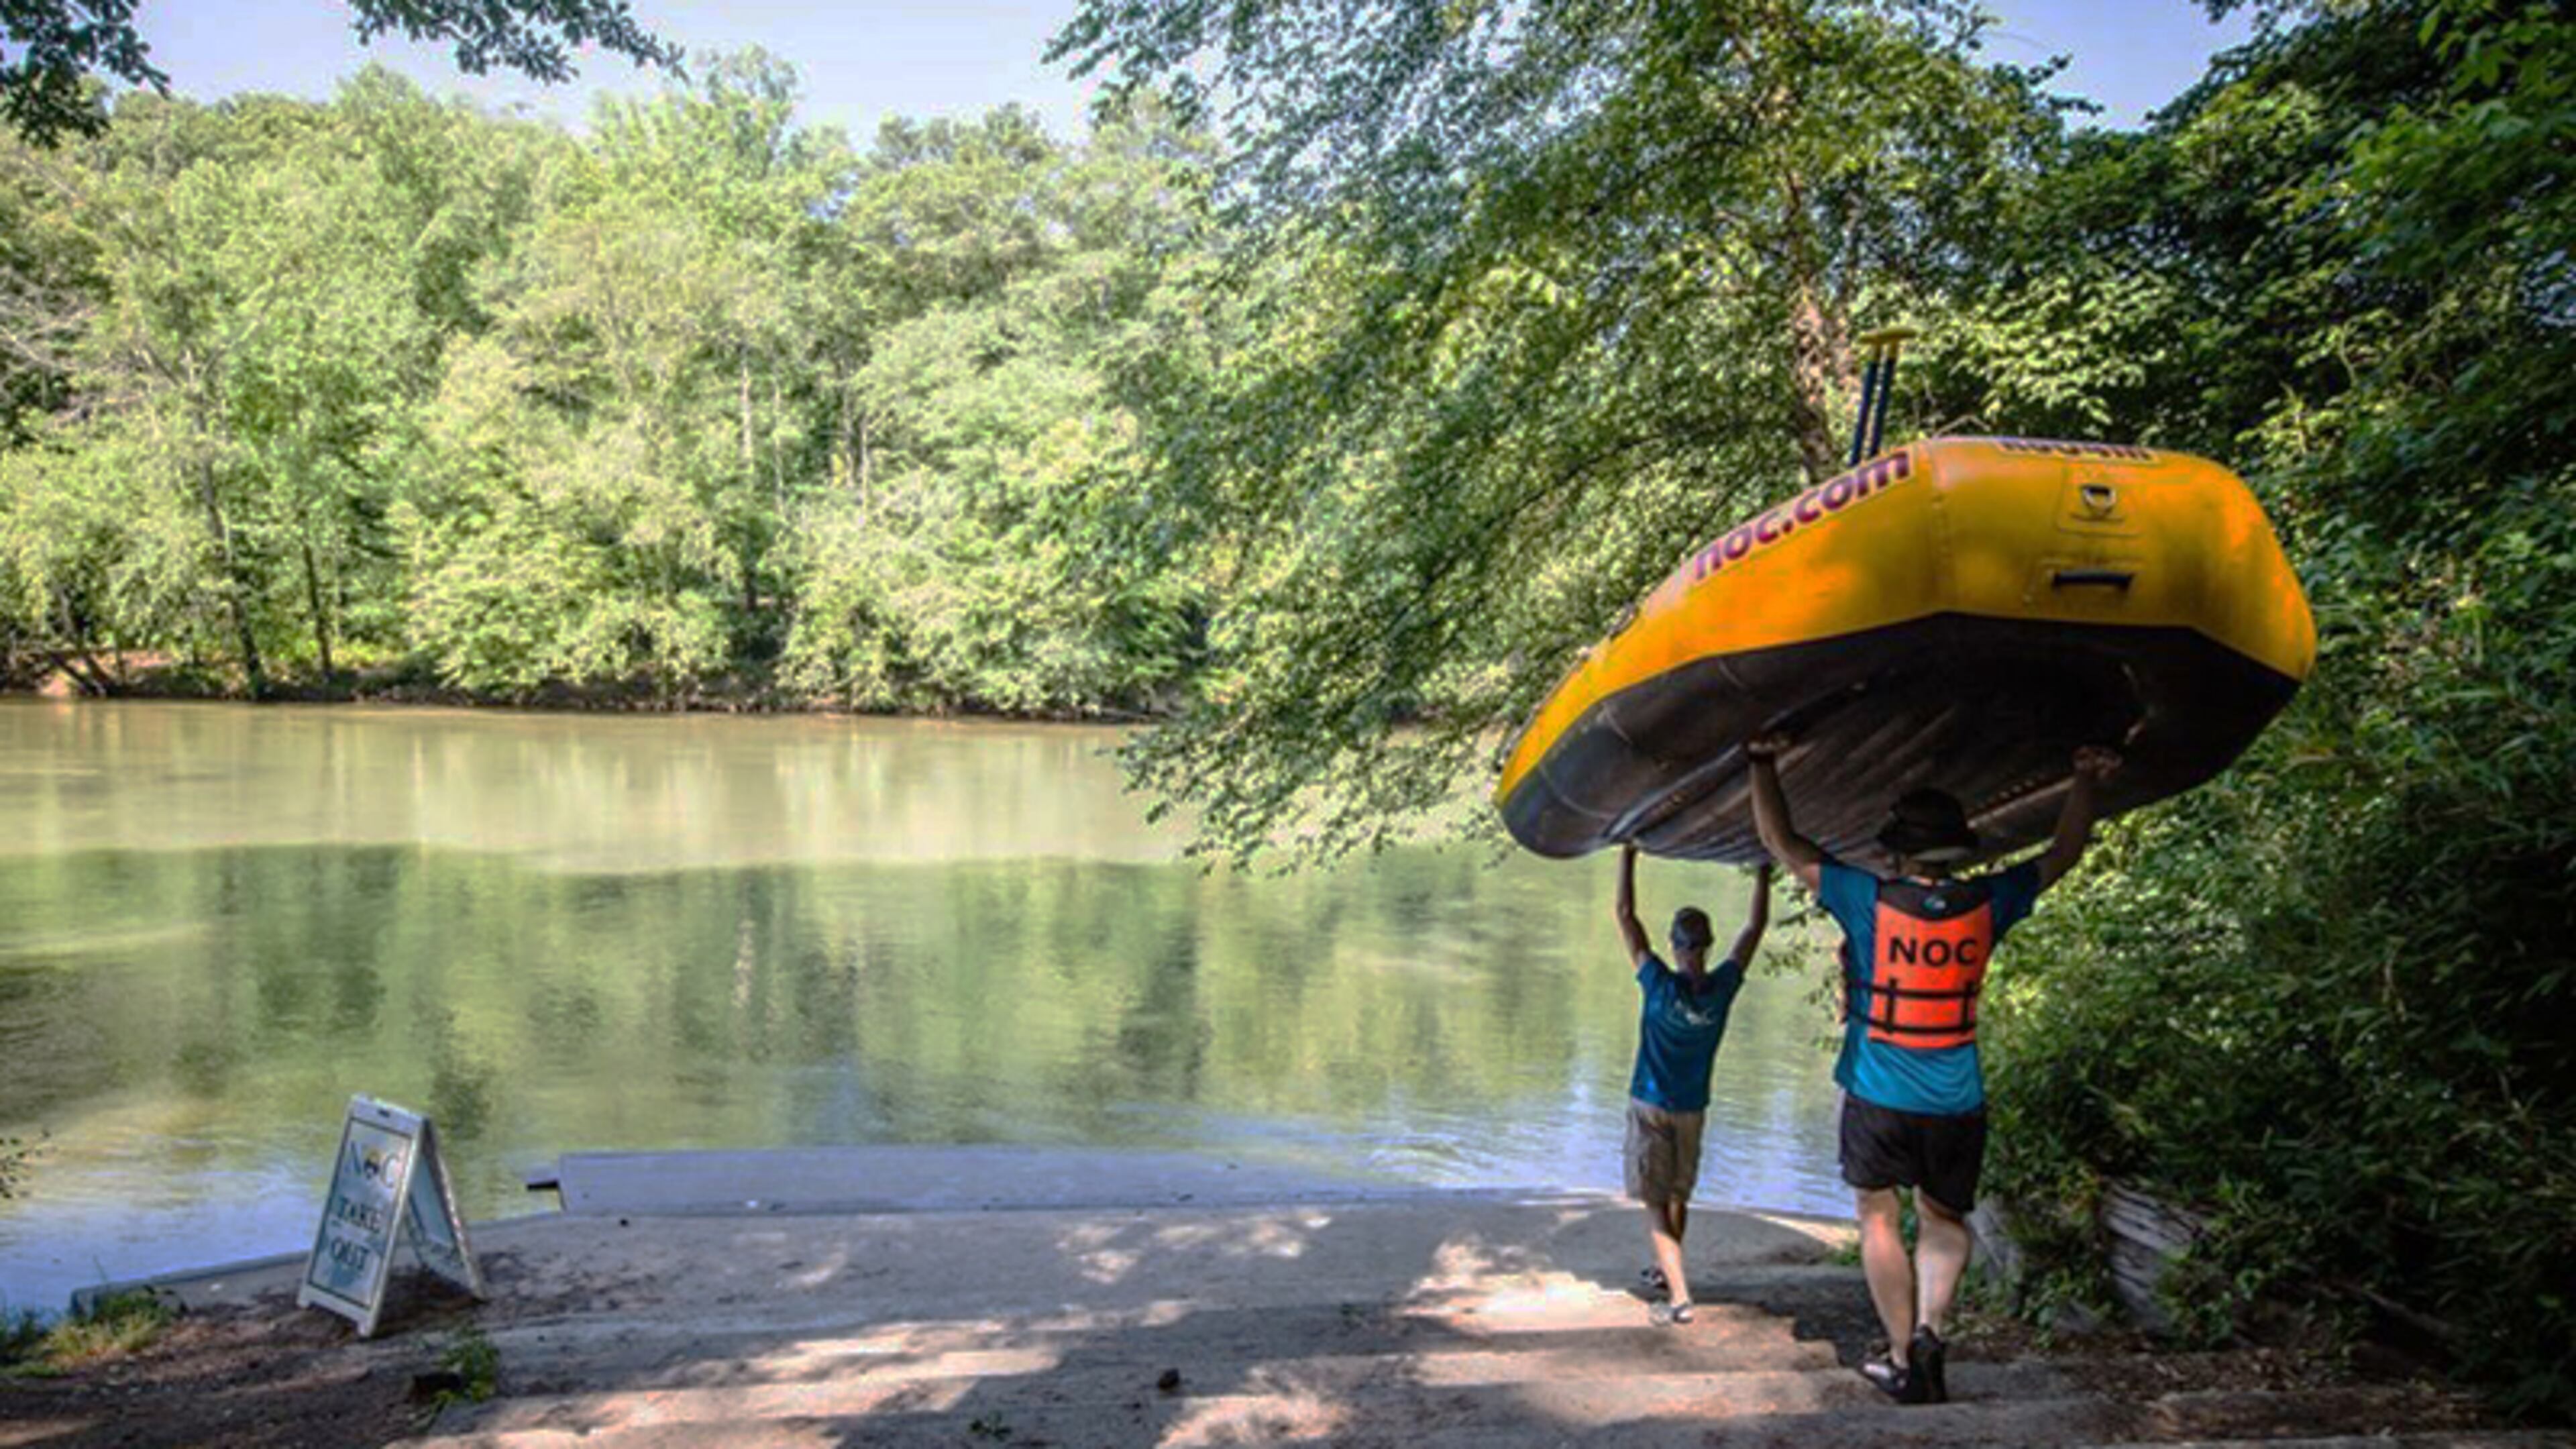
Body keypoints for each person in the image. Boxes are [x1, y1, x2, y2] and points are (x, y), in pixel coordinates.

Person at [1743, 735, 2120, 1403]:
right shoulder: (1990, 902)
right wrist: (2085, 777)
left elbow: (1783, 841)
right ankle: (1930, 1332)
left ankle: (1898, 1356)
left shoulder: (1866, 899)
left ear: (1897, 851)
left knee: (1878, 1217)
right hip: (1955, 1097)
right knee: (1944, 1219)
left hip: (1877, 1092)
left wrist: (1762, 763)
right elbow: (2064, 853)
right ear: (1957, 850)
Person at [1613, 842, 1773, 1326]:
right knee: (1680, 1193)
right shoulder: (1723, 987)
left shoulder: (1658, 984)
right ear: (1705, 945)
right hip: (1692, 1108)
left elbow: (1624, 913)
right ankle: (1669, 1272)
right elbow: (1753, 930)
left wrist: (1628, 853)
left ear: (1676, 945)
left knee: (1655, 1201)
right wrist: (1763, 874)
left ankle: (1680, 1296)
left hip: (1650, 1104)